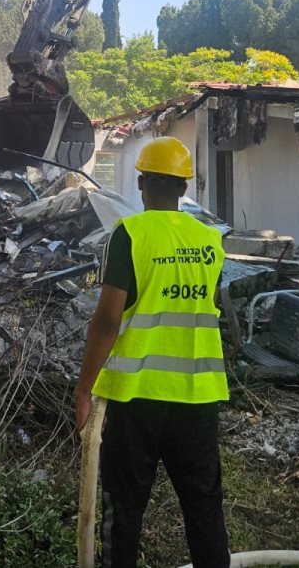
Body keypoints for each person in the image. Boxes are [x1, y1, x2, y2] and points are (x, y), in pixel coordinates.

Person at [75, 137, 231, 568]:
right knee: (204, 507)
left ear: (141, 182)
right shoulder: (210, 241)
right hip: (197, 396)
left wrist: (84, 389)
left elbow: (108, 320)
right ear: (184, 187)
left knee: (124, 511)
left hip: (134, 397)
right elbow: (205, 307)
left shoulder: (130, 235)